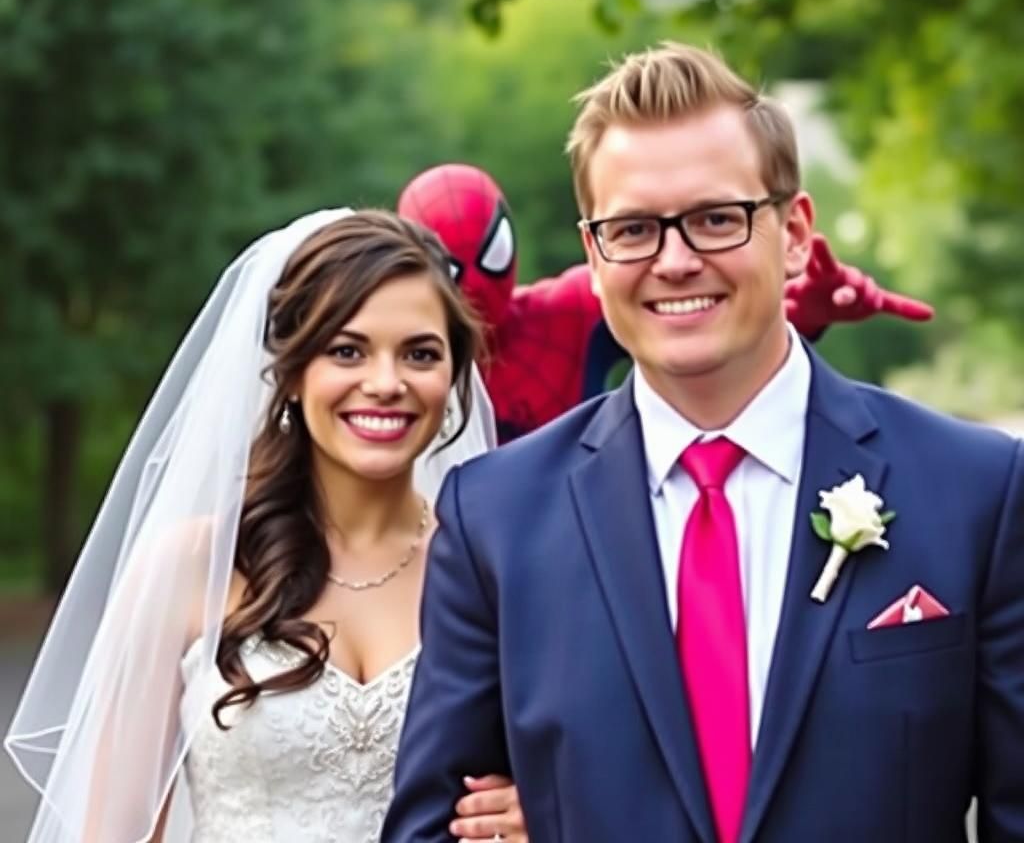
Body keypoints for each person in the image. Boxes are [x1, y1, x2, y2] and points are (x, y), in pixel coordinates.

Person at [383, 45, 1024, 842]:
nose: (676, 261)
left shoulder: (977, 492)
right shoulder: (495, 520)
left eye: (717, 219)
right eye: (633, 229)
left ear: (795, 234)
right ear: (593, 255)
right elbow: (431, 828)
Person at [6, 209, 528, 843]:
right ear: (292, 371)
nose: (386, 383)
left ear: (452, 375)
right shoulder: (189, 567)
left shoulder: (491, 570)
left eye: (419, 354)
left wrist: (539, 815)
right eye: (347, 350)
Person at [398, 163, 934, 441]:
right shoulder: (389, 354)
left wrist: (791, 307)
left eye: (485, 257)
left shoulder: (566, 312)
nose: (473, 288)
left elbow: (695, 318)